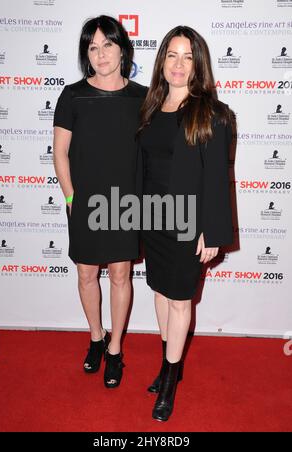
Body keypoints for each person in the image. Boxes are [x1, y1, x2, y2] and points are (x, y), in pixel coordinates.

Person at [138, 25, 233, 421]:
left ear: (198, 65)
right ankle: (167, 364)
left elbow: (216, 177)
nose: (179, 64)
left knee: (179, 301)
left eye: (187, 57)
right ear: (162, 62)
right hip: (151, 217)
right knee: (160, 293)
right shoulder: (150, 108)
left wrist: (211, 231)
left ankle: (169, 380)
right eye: (172, 55)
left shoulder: (212, 113)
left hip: (188, 222)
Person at [53, 15, 147, 389]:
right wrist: (72, 197)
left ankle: (116, 350)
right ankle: (96, 337)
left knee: (121, 275)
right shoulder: (73, 95)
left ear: (122, 47)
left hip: (125, 203)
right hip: (85, 202)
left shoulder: (142, 97)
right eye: (93, 47)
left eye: (107, 44)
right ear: (85, 54)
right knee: (87, 273)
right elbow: (60, 153)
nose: (101, 53)